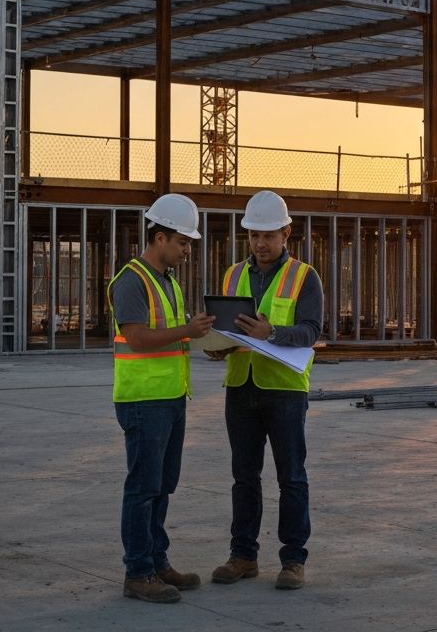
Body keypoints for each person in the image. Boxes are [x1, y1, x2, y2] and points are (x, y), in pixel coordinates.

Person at [209, 191, 324, 592]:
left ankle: (293, 559)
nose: (260, 243)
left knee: (291, 477)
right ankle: (243, 556)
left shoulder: (304, 276)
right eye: (255, 234)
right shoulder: (231, 275)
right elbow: (225, 329)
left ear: (287, 233)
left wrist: (271, 332)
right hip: (240, 386)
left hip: (285, 390)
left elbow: (311, 330)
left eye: (269, 235)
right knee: (244, 476)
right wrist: (214, 346)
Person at [107, 193, 215, 604]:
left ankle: (156, 560)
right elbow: (136, 339)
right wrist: (187, 331)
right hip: (143, 400)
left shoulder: (167, 282)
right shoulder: (131, 280)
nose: (188, 250)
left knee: (162, 485)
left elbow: (172, 338)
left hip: (170, 398)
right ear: (160, 237)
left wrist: (201, 336)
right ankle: (138, 572)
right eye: (183, 242)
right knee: (143, 487)